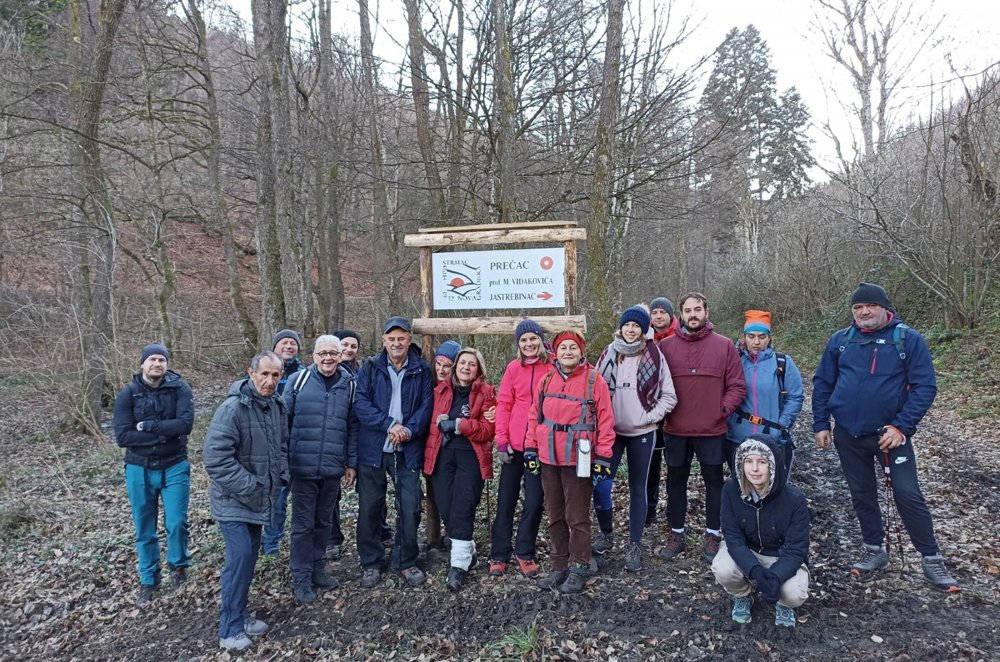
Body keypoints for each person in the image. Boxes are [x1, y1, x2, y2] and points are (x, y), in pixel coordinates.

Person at [812, 283, 959, 591]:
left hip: (890, 436)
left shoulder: (907, 340)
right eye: (857, 308)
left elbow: (925, 387)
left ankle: (932, 559)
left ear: (885, 308)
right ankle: (874, 550)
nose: (864, 312)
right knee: (861, 493)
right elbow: (824, 382)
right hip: (848, 435)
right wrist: (821, 423)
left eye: (870, 306)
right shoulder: (841, 341)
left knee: (907, 493)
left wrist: (901, 427)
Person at [203, 352, 289, 651]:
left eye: (275, 375)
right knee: (239, 560)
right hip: (234, 501)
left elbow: (281, 448)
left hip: (259, 500)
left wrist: (282, 476)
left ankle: (240, 615)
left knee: (248, 560)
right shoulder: (232, 409)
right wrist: (251, 486)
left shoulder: (277, 406)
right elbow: (215, 459)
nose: (269, 381)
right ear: (251, 373)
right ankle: (229, 627)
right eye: (264, 374)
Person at [657, 293, 746, 563]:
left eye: (697, 309)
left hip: (712, 430)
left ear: (706, 312)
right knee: (675, 483)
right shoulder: (666, 347)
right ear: (680, 315)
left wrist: (720, 410)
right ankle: (676, 533)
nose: (692, 314)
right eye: (687, 310)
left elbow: (737, 385)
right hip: (676, 429)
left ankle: (712, 533)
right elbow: (654, 386)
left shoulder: (724, 346)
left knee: (714, 483)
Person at [525, 330, 615, 594]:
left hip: (580, 458)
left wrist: (603, 457)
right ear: (555, 351)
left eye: (572, 348)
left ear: (581, 351)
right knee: (555, 514)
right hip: (549, 457)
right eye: (563, 348)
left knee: (577, 516)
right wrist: (530, 448)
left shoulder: (593, 380)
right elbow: (534, 416)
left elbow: (607, 420)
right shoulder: (547, 380)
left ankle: (579, 566)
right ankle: (558, 566)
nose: (567, 352)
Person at [592, 306, 677, 572]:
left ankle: (634, 545)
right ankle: (606, 534)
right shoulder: (608, 353)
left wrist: (649, 417)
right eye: (627, 325)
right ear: (621, 327)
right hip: (610, 433)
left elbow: (669, 396)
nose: (631, 329)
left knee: (638, 489)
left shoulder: (654, 355)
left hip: (642, 433)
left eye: (636, 326)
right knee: (601, 484)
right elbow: (592, 389)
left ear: (644, 329)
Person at [354, 316, 434, 588]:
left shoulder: (422, 370)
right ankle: (371, 562)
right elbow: (361, 404)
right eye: (391, 338)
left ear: (409, 340)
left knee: (410, 507)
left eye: (401, 338)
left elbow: (426, 408)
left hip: (407, 449)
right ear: (384, 341)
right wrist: (389, 424)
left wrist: (408, 431)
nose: (396, 343)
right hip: (373, 449)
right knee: (370, 507)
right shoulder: (370, 368)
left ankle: (406, 560)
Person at [113, 343, 194, 606]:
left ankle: (178, 567)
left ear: (167, 364)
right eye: (152, 360)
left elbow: (185, 425)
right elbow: (123, 436)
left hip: (174, 464)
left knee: (177, 522)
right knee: (144, 527)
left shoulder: (180, 389)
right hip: (138, 467)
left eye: (161, 359)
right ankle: (149, 579)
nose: (157, 364)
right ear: (142, 364)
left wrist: (148, 427)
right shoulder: (128, 394)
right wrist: (164, 434)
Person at [285, 335, 359, 605]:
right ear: (313, 356)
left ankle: (318, 570)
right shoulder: (298, 382)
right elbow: (284, 423)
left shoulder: (349, 385)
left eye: (333, 353)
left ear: (341, 356)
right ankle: (301, 579)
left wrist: (351, 463)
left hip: (331, 467)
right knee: (302, 526)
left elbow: (353, 428)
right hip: (302, 467)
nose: (328, 358)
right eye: (323, 353)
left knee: (324, 523)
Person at [712, 436, 810, 628]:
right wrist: (756, 571)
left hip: (780, 556)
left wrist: (775, 576)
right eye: (748, 461)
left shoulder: (794, 499)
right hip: (748, 552)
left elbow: (796, 549)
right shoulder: (730, 491)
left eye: (762, 462)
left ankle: (784, 605)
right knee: (722, 568)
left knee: (793, 594)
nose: (754, 469)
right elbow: (733, 538)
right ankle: (743, 595)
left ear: (773, 466)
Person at [424, 347, 497, 591]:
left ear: (479, 369)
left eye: (472, 364)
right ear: (456, 366)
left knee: (463, 507)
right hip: (442, 455)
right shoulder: (440, 390)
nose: (466, 367)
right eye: (462, 363)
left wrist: (458, 425)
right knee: (445, 506)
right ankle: (469, 552)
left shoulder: (487, 394)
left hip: (471, 457)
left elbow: (488, 430)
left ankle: (458, 565)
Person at [489, 319, 550, 578]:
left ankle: (524, 551)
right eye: (523, 340)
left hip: (539, 447)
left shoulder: (554, 365)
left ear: (540, 339)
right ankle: (499, 554)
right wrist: (501, 440)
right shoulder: (513, 368)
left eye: (532, 338)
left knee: (535, 501)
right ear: (518, 344)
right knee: (506, 501)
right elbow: (503, 404)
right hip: (513, 446)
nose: (529, 344)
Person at [726, 310, 804, 476]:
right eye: (751, 336)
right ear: (744, 337)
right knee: (740, 487)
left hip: (772, 438)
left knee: (773, 489)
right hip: (737, 438)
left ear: (769, 338)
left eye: (762, 337)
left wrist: (782, 423)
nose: (756, 342)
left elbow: (795, 396)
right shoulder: (734, 362)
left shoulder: (783, 362)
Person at [262, 329, 304, 555]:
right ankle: (270, 543)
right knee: (276, 498)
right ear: (275, 347)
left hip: (299, 444)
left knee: (300, 498)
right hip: (271, 446)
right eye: (284, 343)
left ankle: (297, 542)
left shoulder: (305, 373)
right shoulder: (263, 371)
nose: (289, 346)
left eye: (293, 343)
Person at [325, 329, 362, 562]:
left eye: (353, 346)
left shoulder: (361, 374)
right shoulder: (321, 374)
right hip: (328, 441)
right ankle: (331, 539)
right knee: (330, 494)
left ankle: (379, 530)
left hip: (356, 437)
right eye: (344, 345)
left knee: (368, 491)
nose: (348, 350)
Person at [425, 339, 462, 552]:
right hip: (432, 449)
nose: (441, 369)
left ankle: (456, 536)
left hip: (454, 450)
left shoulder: (460, 389)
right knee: (439, 495)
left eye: (446, 365)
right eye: (438, 363)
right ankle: (442, 536)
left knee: (457, 496)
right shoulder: (428, 385)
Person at [646, 297, 676, 527]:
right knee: (650, 465)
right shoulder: (645, 339)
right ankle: (649, 510)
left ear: (670, 315)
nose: (658, 316)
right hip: (650, 412)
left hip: (676, 412)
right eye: (654, 312)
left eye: (662, 312)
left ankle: (674, 512)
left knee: (675, 465)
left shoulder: (680, 337)